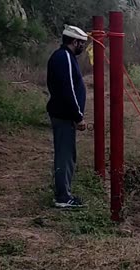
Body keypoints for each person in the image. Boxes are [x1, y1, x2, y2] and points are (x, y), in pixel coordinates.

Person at [46, 25, 88, 208]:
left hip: (62, 114)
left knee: (66, 154)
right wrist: (78, 116)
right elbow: (68, 89)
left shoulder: (64, 57)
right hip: (64, 115)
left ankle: (64, 193)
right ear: (74, 41)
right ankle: (63, 197)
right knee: (65, 155)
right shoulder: (65, 58)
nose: (83, 47)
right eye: (82, 43)